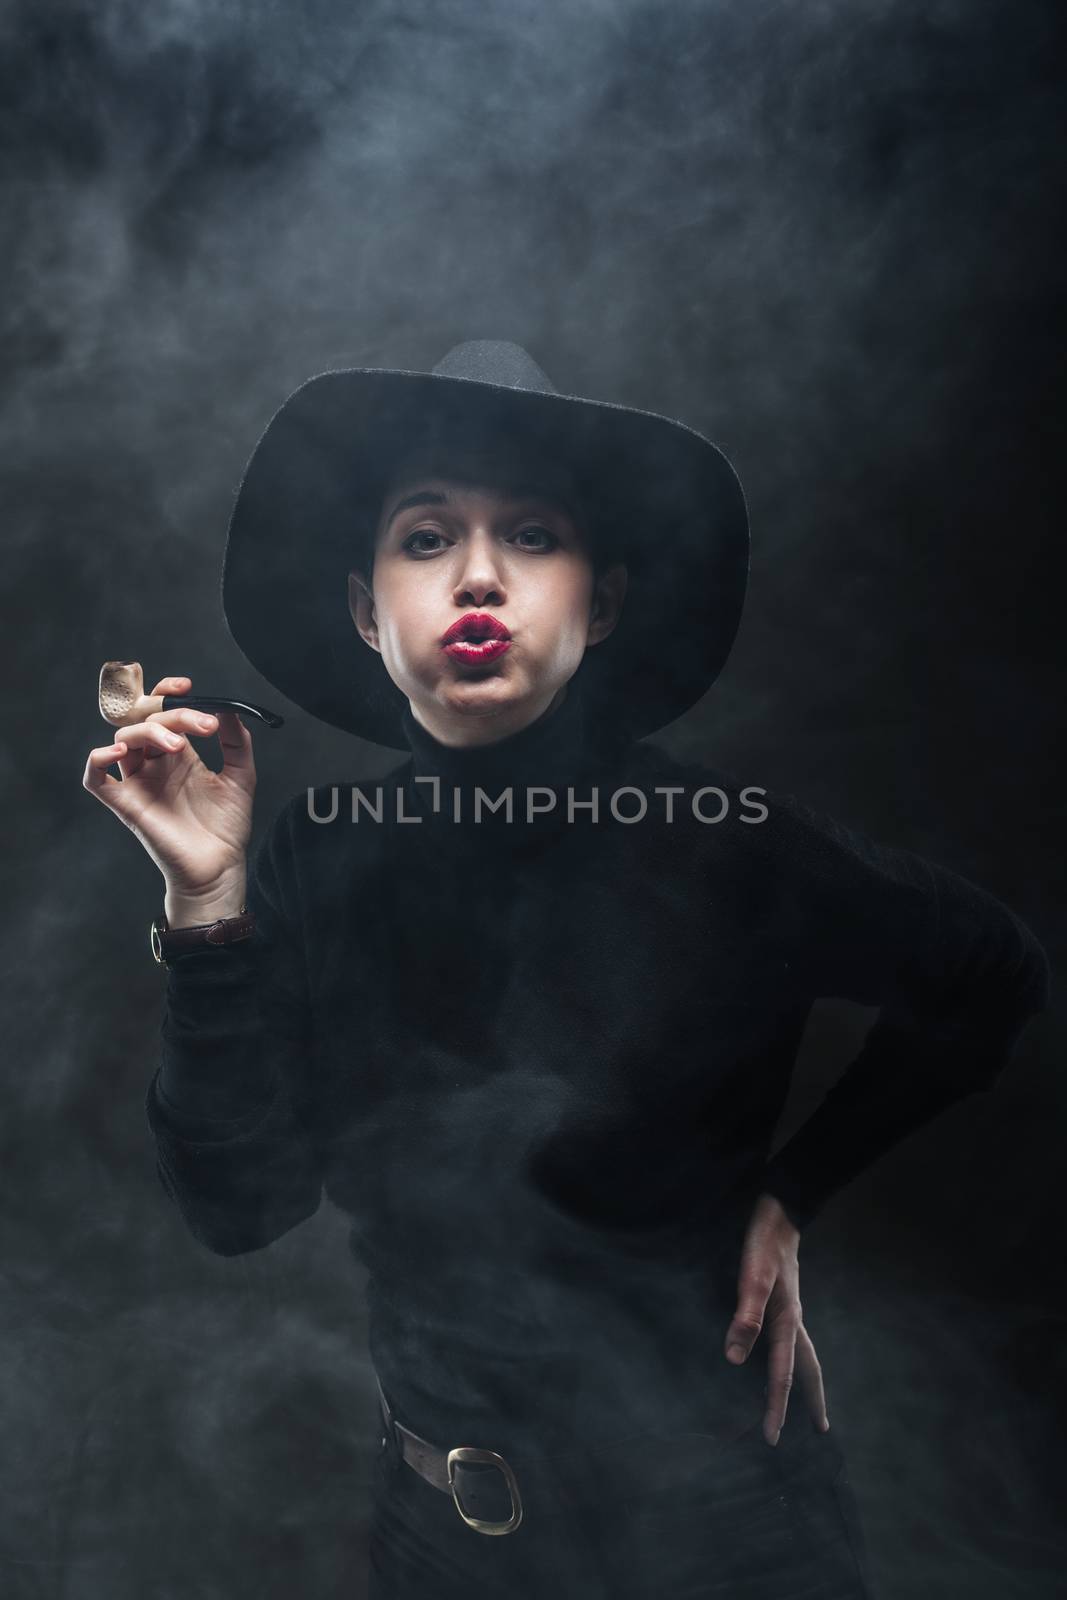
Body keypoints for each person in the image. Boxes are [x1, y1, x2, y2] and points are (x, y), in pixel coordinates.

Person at [83, 340, 1048, 1598]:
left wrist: (795, 1188)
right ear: (370, 617)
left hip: (727, 1535)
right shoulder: (318, 861)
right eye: (426, 538)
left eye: (531, 536)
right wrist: (206, 903)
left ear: (597, 607)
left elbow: (990, 973)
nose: (478, 573)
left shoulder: (733, 845)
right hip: (446, 1539)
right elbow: (235, 1209)